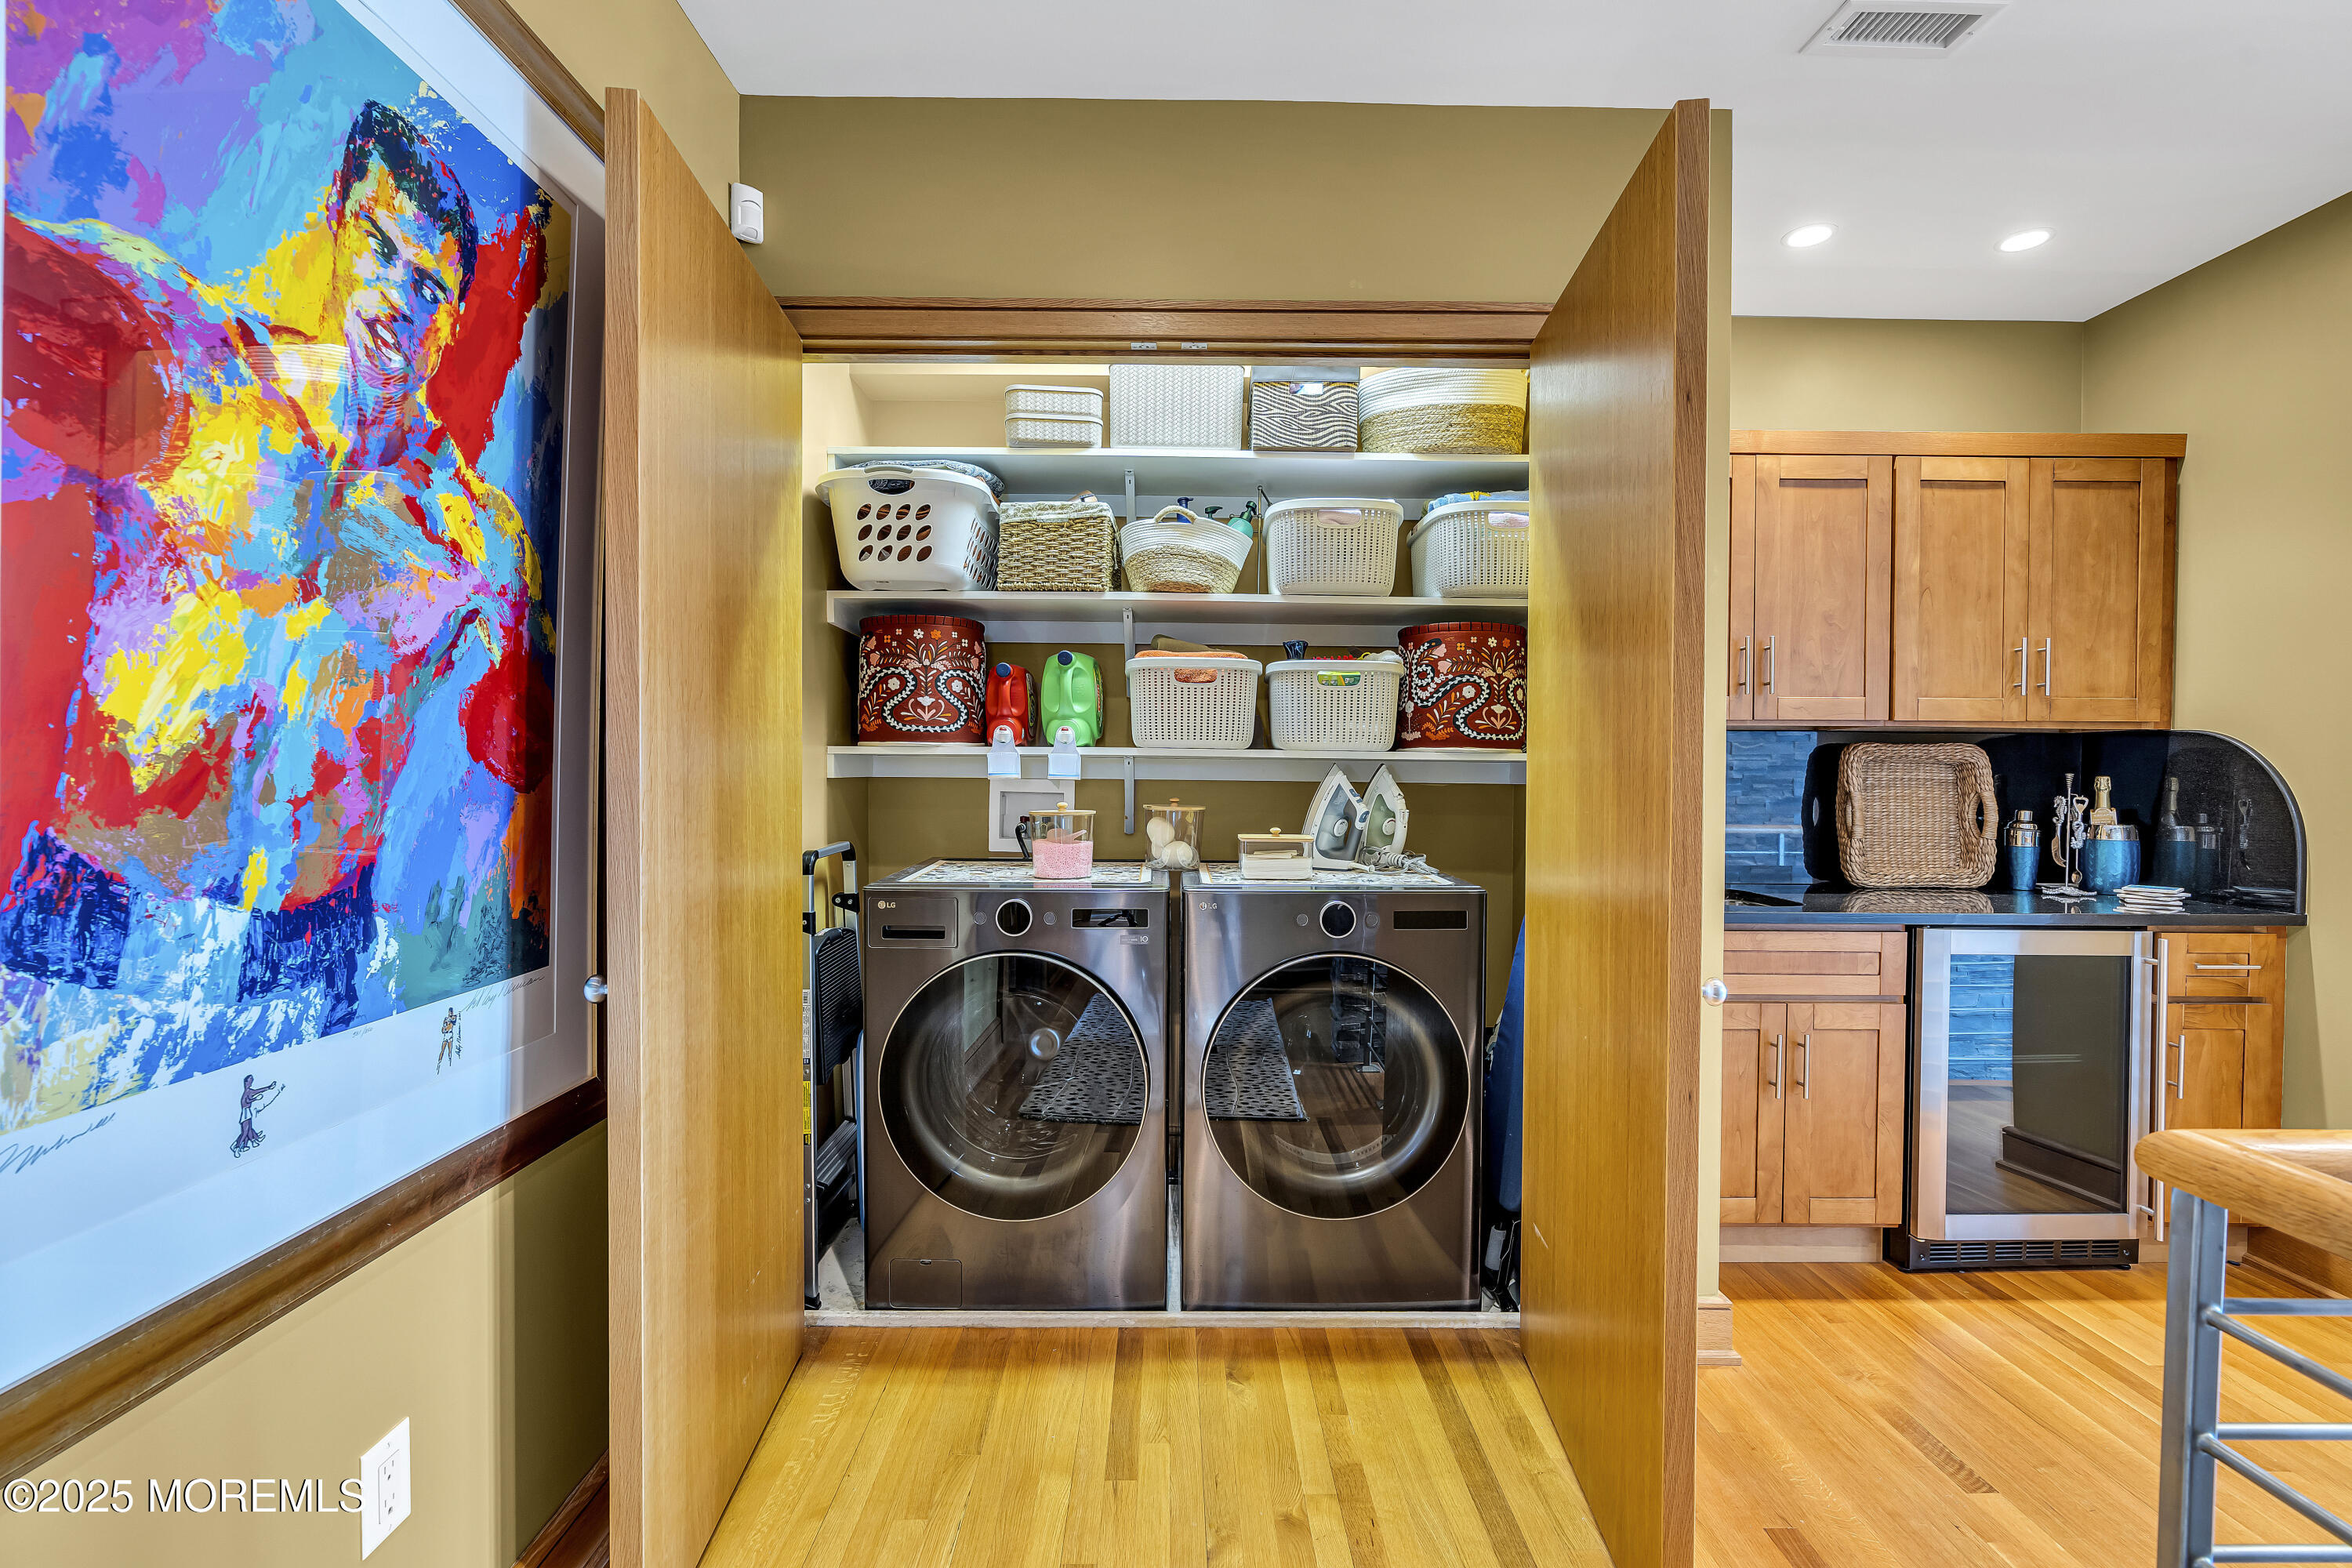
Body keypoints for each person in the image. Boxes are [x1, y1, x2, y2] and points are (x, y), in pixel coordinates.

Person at [2, 101, 550, 1120]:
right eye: (379, 251)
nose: (395, 299)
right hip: (99, 926)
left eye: (427, 285)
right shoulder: (199, 371)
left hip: (310, 962)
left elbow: (531, 755)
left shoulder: (466, 538)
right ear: (336, 225)